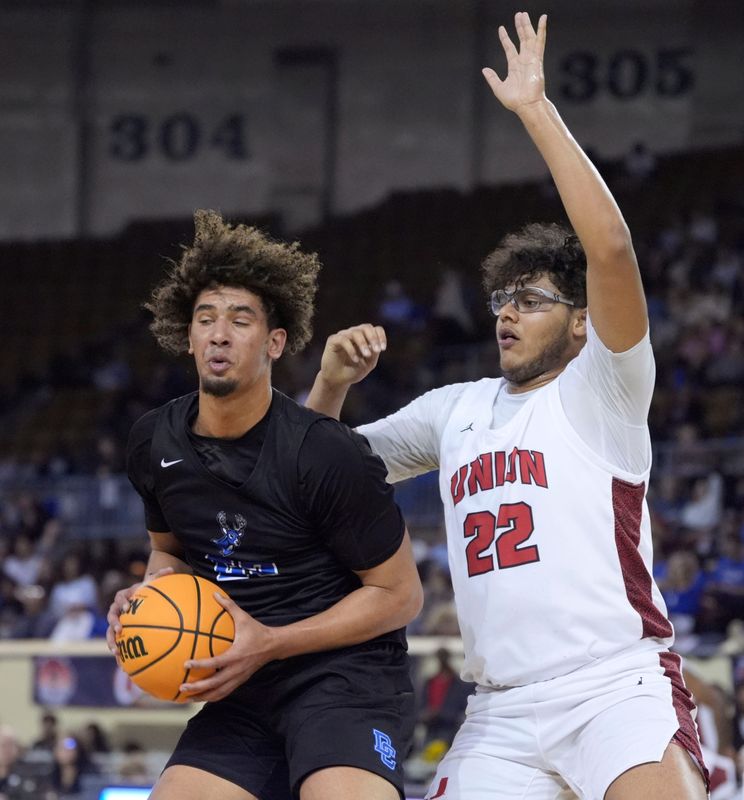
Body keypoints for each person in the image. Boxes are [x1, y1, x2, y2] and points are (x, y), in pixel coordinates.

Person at [306, 12, 708, 800]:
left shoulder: (607, 385)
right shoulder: (453, 408)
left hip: (614, 686)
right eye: (502, 298)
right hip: (501, 711)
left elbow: (614, 251)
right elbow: (316, 470)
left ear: (582, 318)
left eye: (531, 298)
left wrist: (535, 111)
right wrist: (329, 387)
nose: (507, 313)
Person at [105, 210, 423, 800]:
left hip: (344, 680)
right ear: (189, 336)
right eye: (205, 319)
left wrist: (271, 642)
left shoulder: (328, 453)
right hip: (242, 685)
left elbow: (400, 596)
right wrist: (147, 599)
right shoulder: (153, 440)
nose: (219, 333)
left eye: (239, 320)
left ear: (275, 341)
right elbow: (168, 555)